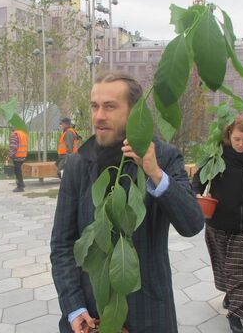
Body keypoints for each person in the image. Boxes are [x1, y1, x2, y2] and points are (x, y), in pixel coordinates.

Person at [50, 72, 204, 333]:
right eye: (94, 106)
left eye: (110, 106)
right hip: (91, 318)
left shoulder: (164, 157)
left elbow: (192, 224)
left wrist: (154, 173)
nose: (99, 116)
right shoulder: (79, 163)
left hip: (148, 313)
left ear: (134, 112)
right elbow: (63, 244)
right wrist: (75, 308)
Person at [192, 115, 243, 333]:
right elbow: (197, 181)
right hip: (218, 223)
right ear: (229, 135)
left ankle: (236, 315)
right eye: (237, 139)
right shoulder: (216, 156)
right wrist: (197, 194)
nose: (240, 144)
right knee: (225, 268)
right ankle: (231, 292)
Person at [8, 128, 28, 192]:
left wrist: (10, 156)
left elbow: (13, 147)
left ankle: (20, 186)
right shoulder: (23, 134)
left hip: (17, 156)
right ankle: (21, 184)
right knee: (18, 171)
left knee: (17, 172)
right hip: (23, 155)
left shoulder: (14, 135)